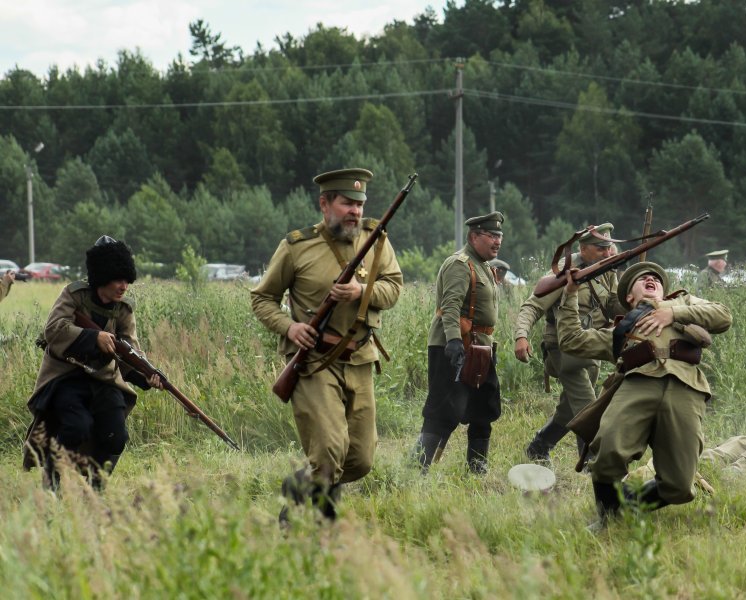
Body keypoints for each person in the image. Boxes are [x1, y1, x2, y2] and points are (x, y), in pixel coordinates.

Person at [251, 168, 403, 521]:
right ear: (325, 204)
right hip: (315, 363)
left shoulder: (377, 240)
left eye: (360, 204)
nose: (355, 211)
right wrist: (290, 329)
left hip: (360, 358)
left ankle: (300, 488)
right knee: (329, 451)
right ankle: (321, 528)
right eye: (347, 203)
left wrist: (361, 292)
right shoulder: (296, 246)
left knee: (361, 459)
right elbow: (262, 300)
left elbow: (394, 287)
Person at [556, 261, 732, 521]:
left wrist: (672, 314)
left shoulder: (683, 303)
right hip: (638, 383)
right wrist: (570, 293)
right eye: (643, 279)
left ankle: (627, 507)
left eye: (656, 279)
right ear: (629, 297)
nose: (651, 279)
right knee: (607, 453)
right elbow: (571, 340)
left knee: (679, 486)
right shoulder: (621, 330)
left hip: (685, 386)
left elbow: (723, 315)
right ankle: (608, 521)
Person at [22, 236, 163, 490]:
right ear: (102, 277)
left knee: (116, 436)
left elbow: (130, 353)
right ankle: (52, 478)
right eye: (118, 279)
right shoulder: (74, 295)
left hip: (103, 379)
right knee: (77, 426)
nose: (124, 286)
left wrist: (147, 377)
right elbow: (54, 329)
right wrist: (92, 337)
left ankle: (95, 487)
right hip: (66, 377)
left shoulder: (123, 310)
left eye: (126, 280)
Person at [514, 222, 622, 462]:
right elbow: (532, 306)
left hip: (591, 345)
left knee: (569, 408)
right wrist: (521, 336)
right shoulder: (564, 272)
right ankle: (592, 462)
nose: (607, 253)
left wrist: (632, 294)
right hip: (563, 349)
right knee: (588, 406)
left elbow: (614, 307)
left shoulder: (606, 269)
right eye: (601, 248)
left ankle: (539, 446)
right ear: (583, 249)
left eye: (609, 248)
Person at [412, 212, 504, 474]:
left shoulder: (484, 265)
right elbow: (449, 306)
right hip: (455, 346)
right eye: (492, 235)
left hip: (481, 348)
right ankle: (415, 470)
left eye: (499, 235)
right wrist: (453, 342)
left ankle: (477, 469)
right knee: (443, 410)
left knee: (483, 409)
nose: (497, 241)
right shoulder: (460, 264)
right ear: (474, 236)